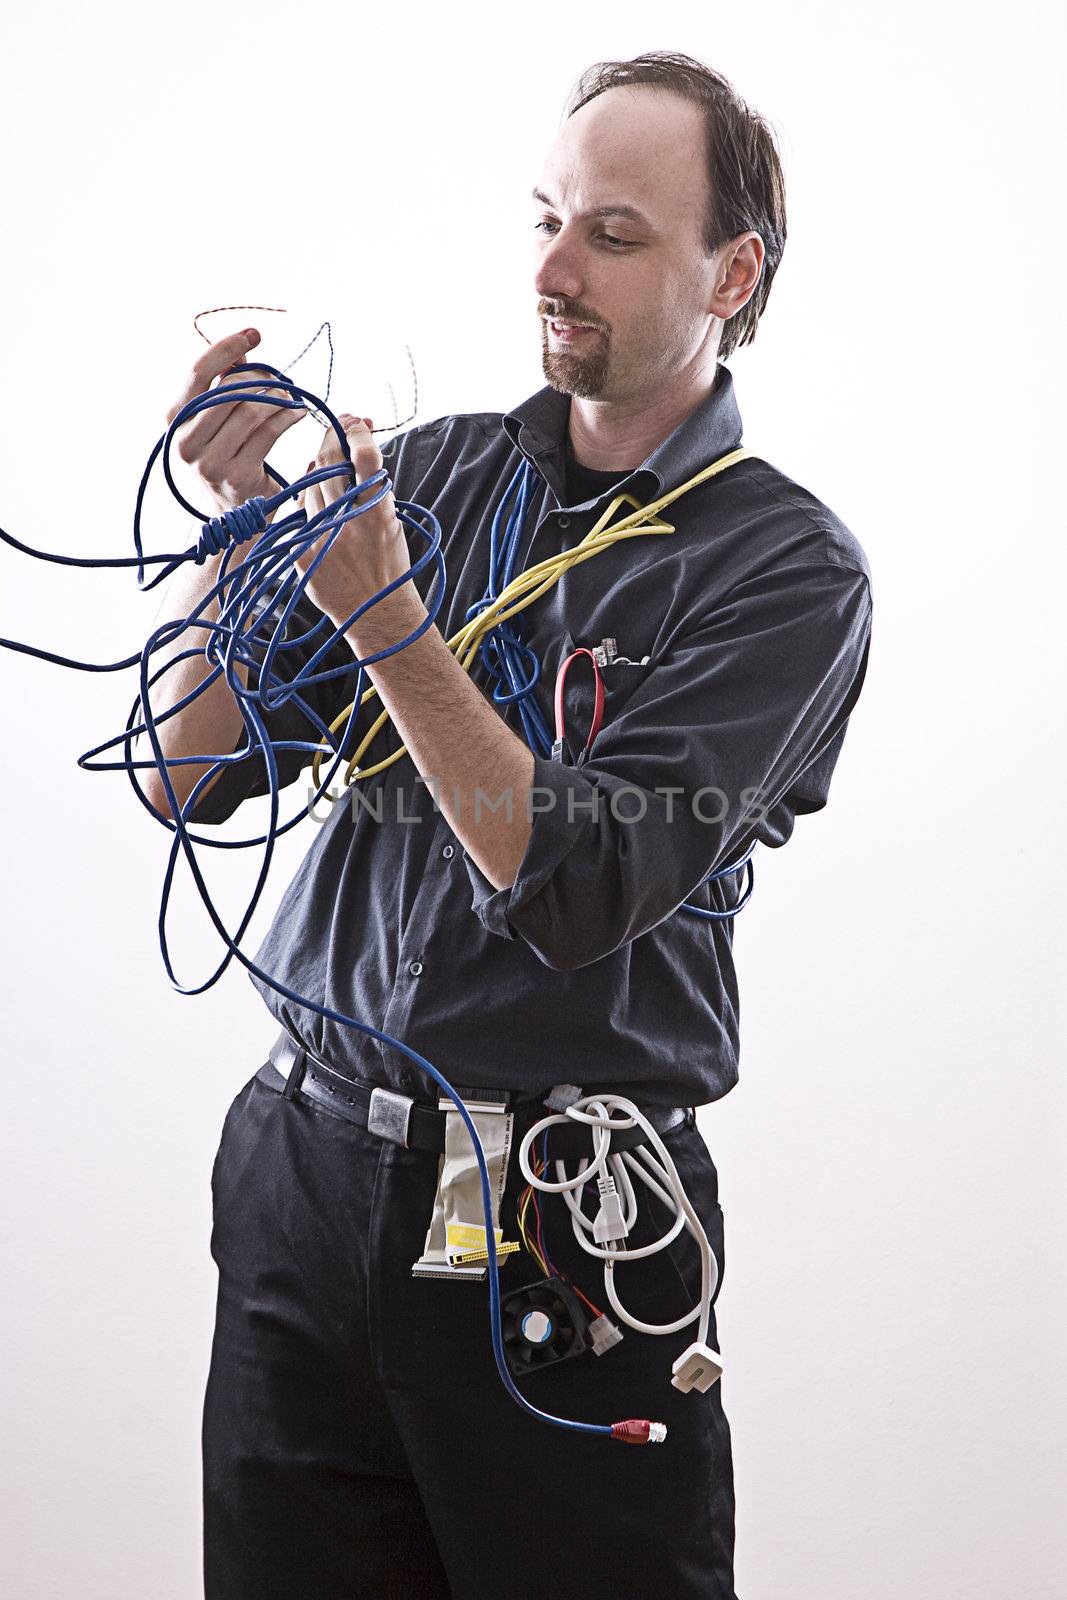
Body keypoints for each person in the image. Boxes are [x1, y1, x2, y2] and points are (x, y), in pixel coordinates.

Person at [144, 50, 872, 1600]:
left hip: (559, 1224)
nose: (552, 266)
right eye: (544, 218)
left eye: (614, 232)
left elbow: (573, 879)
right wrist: (239, 537)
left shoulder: (786, 572)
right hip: (304, 1183)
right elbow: (190, 772)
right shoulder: (441, 476)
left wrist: (390, 624)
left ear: (732, 273)